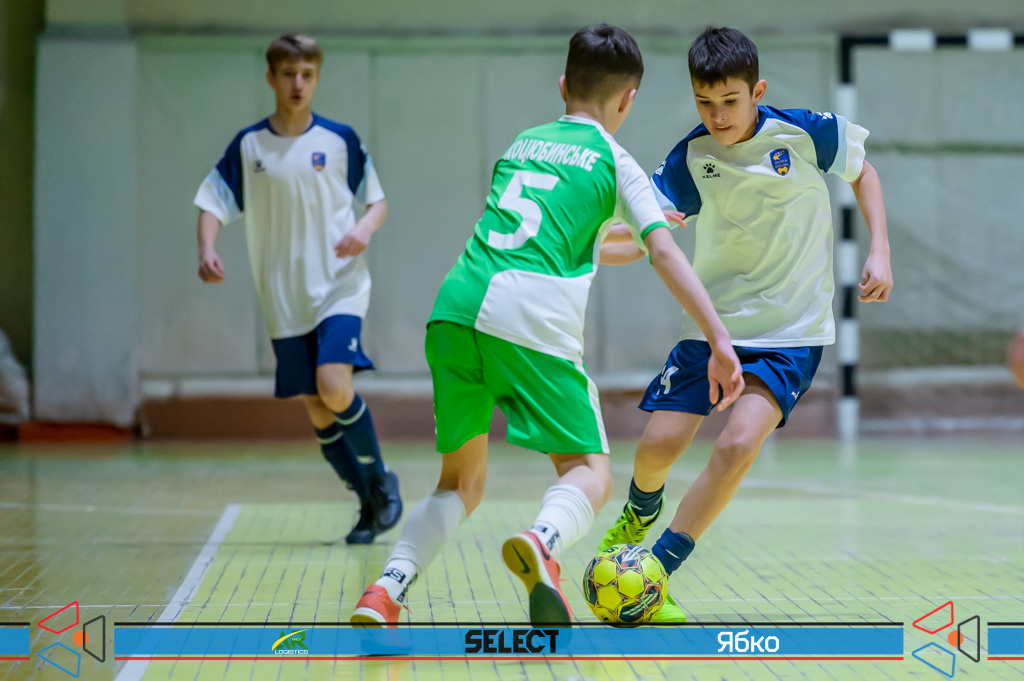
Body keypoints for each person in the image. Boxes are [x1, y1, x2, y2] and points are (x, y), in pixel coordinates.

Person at [351, 24, 743, 627]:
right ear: (628, 99)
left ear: (564, 85)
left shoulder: (523, 143)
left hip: (456, 309)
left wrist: (635, 236)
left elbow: (566, 239)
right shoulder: (616, 161)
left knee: (460, 482)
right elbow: (664, 255)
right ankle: (543, 542)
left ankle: (386, 589)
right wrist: (718, 337)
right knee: (588, 471)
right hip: (527, 315)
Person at [597, 26, 894, 622]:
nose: (718, 116)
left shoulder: (807, 133)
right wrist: (594, 245)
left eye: (730, 101)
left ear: (757, 92)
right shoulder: (690, 158)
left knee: (736, 446)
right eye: (704, 102)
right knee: (656, 448)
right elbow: (639, 237)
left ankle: (658, 570)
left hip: (791, 333)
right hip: (715, 328)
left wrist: (880, 248)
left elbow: (863, 172)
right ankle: (640, 509)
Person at [193, 34, 401, 544]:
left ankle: (381, 480)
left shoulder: (339, 140)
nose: (298, 84)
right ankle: (367, 502)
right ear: (271, 78)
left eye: (307, 74)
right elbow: (212, 202)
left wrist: (364, 228)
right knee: (316, 406)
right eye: (288, 74)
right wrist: (206, 248)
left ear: (317, 78)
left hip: (340, 287)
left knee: (334, 385)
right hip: (284, 300)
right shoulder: (249, 146)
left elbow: (376, 202)